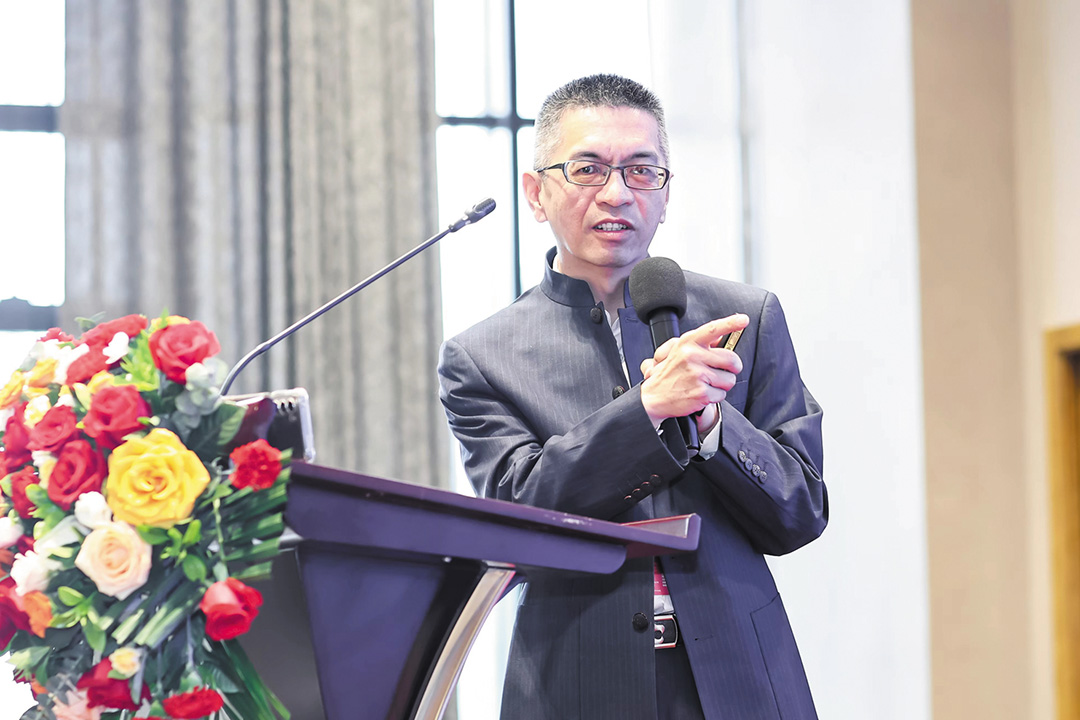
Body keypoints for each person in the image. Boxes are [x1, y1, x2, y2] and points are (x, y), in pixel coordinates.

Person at [438, 74, 826, 720]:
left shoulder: (745, 318)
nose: (617, 193)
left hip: (739, 677)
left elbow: (802, 511)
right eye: (588, 168)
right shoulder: (483, 356)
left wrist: (714, 424)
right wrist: (647, 410)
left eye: (642, 171)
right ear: (536, 193)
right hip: (574, 684)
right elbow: (519, 518)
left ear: (665, 194)